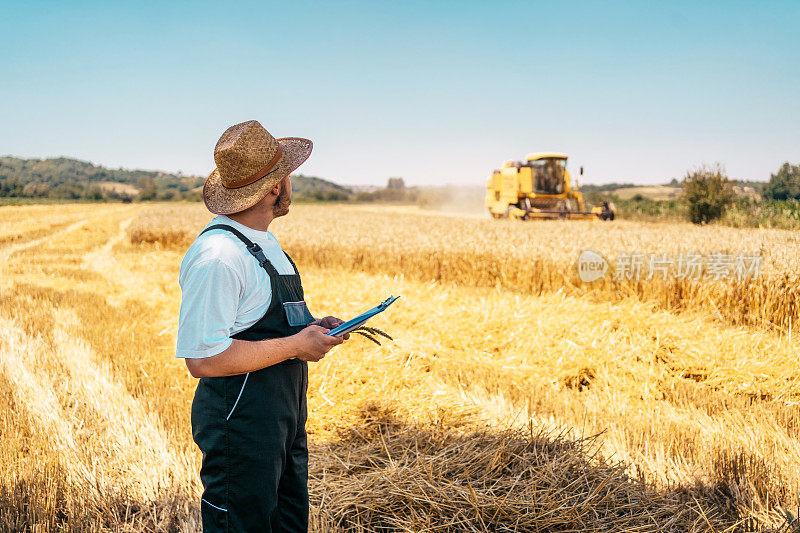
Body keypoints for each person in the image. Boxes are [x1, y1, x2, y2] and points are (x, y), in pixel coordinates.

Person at [176, 120, 348, 532]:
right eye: (287, 175)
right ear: (274, 188)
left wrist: (314, 327)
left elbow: (263, 323)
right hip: (242, 425)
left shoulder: (264, 242)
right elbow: (203, 359)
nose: (291, 183)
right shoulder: (218, 255)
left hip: (283, 417)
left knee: (287, 521)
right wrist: (294, 346)